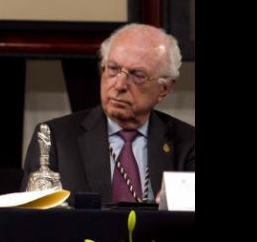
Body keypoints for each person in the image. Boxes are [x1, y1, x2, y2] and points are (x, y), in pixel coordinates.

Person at [20, 23, 195, 204]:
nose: (119, 85)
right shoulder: (53, 138)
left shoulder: (188, 143)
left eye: (137, 75)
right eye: (112, 69)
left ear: (165, 88)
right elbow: (33, 221)